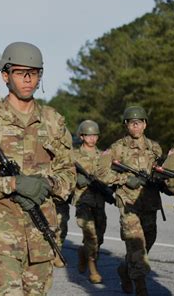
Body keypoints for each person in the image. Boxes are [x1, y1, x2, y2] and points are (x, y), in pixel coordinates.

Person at [0, 42, 75, 295]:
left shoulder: (54, 121)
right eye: (21, 73)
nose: (28, 79)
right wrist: (12, 184)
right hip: (0, 236)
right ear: (5, 75)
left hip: (41, 233)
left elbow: (68, 172)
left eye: (34, 73)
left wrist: (47, 185)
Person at [96, 105, 162, 296]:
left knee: (148, 241)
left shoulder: (155, 148)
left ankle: (125, 270)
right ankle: (141, 289)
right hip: (128, 205)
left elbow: (160, 171)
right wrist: (125, 179)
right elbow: (100, 172)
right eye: (132, 123)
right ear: (126, 125)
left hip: (149, 203)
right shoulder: (117, 148)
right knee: (136, 246)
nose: (136, 126)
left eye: (139, 123)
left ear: (145, 125)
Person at [73, 120, 107, 283]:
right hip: (83, 202)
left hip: (99, 202)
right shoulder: (74, 156)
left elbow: (109, 175)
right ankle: (93, 269)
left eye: (95, 135)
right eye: (89, 135)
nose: (92, 138)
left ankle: (82, 252)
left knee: (98, 238)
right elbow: (63, 173)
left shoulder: (103, 156)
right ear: (81, 136)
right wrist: (76, 178)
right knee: (91, 236)